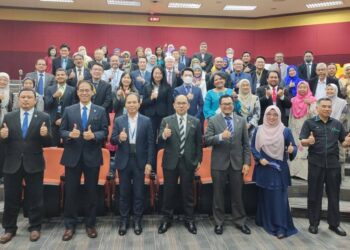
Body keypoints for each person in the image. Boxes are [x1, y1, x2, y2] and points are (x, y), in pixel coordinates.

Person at [0, 88, 52, 244]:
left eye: (30, 97)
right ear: (18, 99)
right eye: (23, 97)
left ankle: (35, 227)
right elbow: (4, 141)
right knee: (10, 198)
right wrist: (3, 137)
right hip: (12, 163)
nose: (26, 100)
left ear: (35, 100)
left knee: (35, 198)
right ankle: (9, 229)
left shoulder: (43, 117)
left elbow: (49, 142)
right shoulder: (8, 117)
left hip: (34, 163)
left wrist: (45, 135)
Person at [59, 80, 108, 241]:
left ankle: (90, 224)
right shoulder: (69, 110)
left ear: (92, 92)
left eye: (88, 90)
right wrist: (69, 135)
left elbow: (104, 131)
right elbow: (62, 130)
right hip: (72, 156)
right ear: (77, 92)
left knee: (91, 192)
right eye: (82, 90)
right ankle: (69, 225)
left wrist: (94, 136)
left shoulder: (100, 110)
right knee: (71, 192)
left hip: (92, 156)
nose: (85, 93)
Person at [300, 97, 350, 237]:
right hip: (315, 164)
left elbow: (343, 143)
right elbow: (302, 141)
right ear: (317, 108)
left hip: (334, 165)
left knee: (334, 195)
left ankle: (334, 224)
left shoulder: (337, 124)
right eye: (324, 106)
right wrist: (308, 141)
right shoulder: (309, 123)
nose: (327, 109)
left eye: (329, 106)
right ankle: (313, 224)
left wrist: (347, 142)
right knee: (314, 194)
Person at [204, 94, 251, 235]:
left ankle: (240, 221)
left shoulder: (241, 120)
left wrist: (246, 162)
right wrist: (220, 137)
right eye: (224, 104)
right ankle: (218, 223)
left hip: (237, 163)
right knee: (218, 195)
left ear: (233, 104)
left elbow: (246, 145)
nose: (227, 106)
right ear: (220, 105)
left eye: (229, 103)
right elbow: (206, 140)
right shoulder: (213, 120)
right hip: (218, 164)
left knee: (237, 194)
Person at [251, 105, 298, 239]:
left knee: (278, 199)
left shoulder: (285, 131)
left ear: (279, 116)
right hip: (263, 167)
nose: (272, 117)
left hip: (279, 169)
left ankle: (281, 227)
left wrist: (291, 150)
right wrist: (259, 159)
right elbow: (252, 147)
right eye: (269, 114)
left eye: (275, 115)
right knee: (264, 195)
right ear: (265, 116)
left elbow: (293, 147)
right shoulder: (258, 130)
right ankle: (263, 220)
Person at [158, 95, 203, 234]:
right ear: (174, 105)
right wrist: (164, 135)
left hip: (188, 162)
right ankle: (166, 219)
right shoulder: (166, 121)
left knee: (188, 192)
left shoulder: (195, 121)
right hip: (170, 162)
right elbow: (159, 141)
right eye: (179, 103)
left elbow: (199, 144)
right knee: (168, 192)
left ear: (189, 105)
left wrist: (197, 161)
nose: (181, 105)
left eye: (184, 103)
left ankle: (189, 219)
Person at [111, 93, 153, 236]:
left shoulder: (146, 121)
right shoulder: (119, 120)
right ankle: (123, 221)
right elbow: (112, 140)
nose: (132, 105)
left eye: (134, 102)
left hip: (140, 161)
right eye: (129, 102)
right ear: (125, 105)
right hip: (124, 161)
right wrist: (120, 139)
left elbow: (150, 144)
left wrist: (149, 162)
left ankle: (137, 220)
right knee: (123, 193)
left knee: (139, 193)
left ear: (139, 103)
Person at [142, 66, 173, 163]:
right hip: (150, 116)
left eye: (160, 73)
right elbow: (143, 103)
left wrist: (169, 118)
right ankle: (150, 162)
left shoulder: (167, 87)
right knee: (150, 139)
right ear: (152, 74)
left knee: (162, 138)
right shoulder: (147, 86)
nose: (157, 75)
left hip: (163, 116)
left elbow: (169, 103)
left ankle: (161, 161)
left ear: (163, 75)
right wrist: (151, 98)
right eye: (155, 73)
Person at [289, 81, 317, 180]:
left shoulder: (312, 100)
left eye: (304, 87)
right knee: (295, 147)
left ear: (308, 88)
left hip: (306, 127)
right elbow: (291, 116)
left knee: (304, 149)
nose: (301, 89)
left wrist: (310, 105)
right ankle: (294, 172)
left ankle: (304, 174)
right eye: (300, 87)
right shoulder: (293, 100)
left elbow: (314, 116)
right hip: (294, 127)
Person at [44, 68, 76, 146]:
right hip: (52, 121)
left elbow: (73, 106)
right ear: (55, 77)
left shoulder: (72, 90)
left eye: (62, 75)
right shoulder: (49, 89)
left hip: (67, 121)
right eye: (58, 75)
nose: (60, 76)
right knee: (53, 145)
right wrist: (54, 96)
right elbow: (46, 105)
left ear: (66, 76)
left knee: (67, 145)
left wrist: (63, 118)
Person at [0, 72, 12, 183]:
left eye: (5, 80)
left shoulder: (10, 93)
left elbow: (11, 109)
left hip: (4, 125)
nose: (3, 82)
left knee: (3, 150)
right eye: (1, 79)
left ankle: (2, 175)